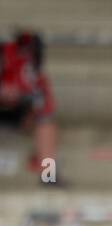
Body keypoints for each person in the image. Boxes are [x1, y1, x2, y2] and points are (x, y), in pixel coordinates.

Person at [0, 31, 58, 184]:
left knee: (46, 122)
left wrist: (48, 171)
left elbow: (46, 120)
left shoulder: (35, 89)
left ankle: (48, 177)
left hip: (23, 109)